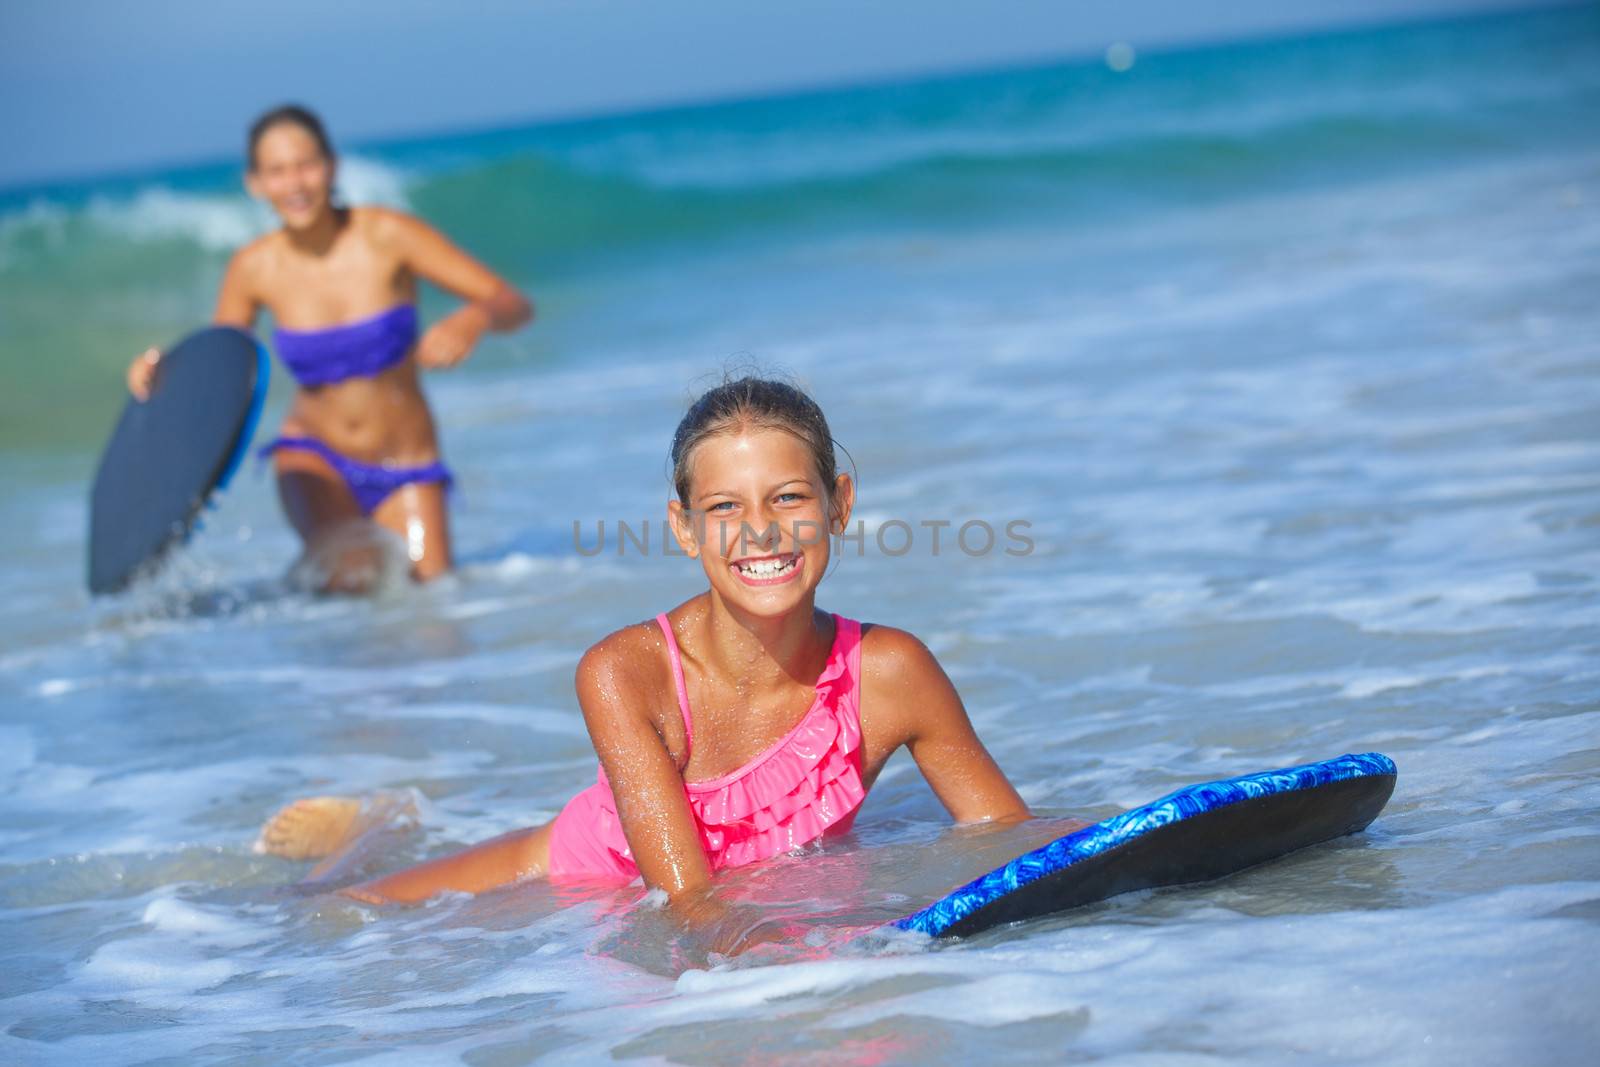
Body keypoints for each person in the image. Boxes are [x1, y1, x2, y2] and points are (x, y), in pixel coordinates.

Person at [256, 377, 1030, 939]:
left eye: (789, 498)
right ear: (684, 528)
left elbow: (1009, 839)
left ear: (840, 505)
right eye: (724, 507)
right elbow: (690, 905)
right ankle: (377, 823)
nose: (759, 531)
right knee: (325, 913)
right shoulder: (626, 672)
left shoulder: (891, 673)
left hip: (712, 899)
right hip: (576, 871)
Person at [127, 105, 532, 587]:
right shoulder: (254, 268)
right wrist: (160, 373)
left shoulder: (389, 235)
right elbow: (220, 376)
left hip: (408, 463)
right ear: (256, 183)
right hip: (313, 460)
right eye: (277, 171)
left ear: (332, 166)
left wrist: (475, 317)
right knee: (357, 586)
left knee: (434, 610)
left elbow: (512, 302)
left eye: (306, 164)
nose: (295, 183)